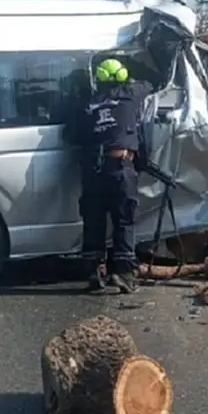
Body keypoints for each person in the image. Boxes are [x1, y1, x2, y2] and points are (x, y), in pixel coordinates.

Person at [71, 57, 155, 294]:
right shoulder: (130, 93)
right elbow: (151, 81)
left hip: (92, 170)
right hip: (119, 166)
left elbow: (72, 135)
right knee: (124, 220)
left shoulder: (87, 104)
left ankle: (93, 272)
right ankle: (124, 274)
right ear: (122, 76)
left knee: (94, 221)